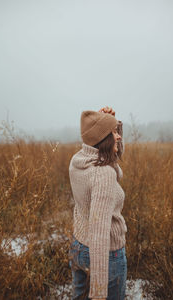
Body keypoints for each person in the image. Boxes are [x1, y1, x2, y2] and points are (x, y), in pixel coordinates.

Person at [68, 106, 127, 300]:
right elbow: (100, 233)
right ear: (103, 141)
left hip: (79, 246)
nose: (118, 136)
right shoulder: (103, 174)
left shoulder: (79, 159)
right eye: (113, 133)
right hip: (106, 255)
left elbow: (112, 156)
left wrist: (112, 124)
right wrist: (99, 292)